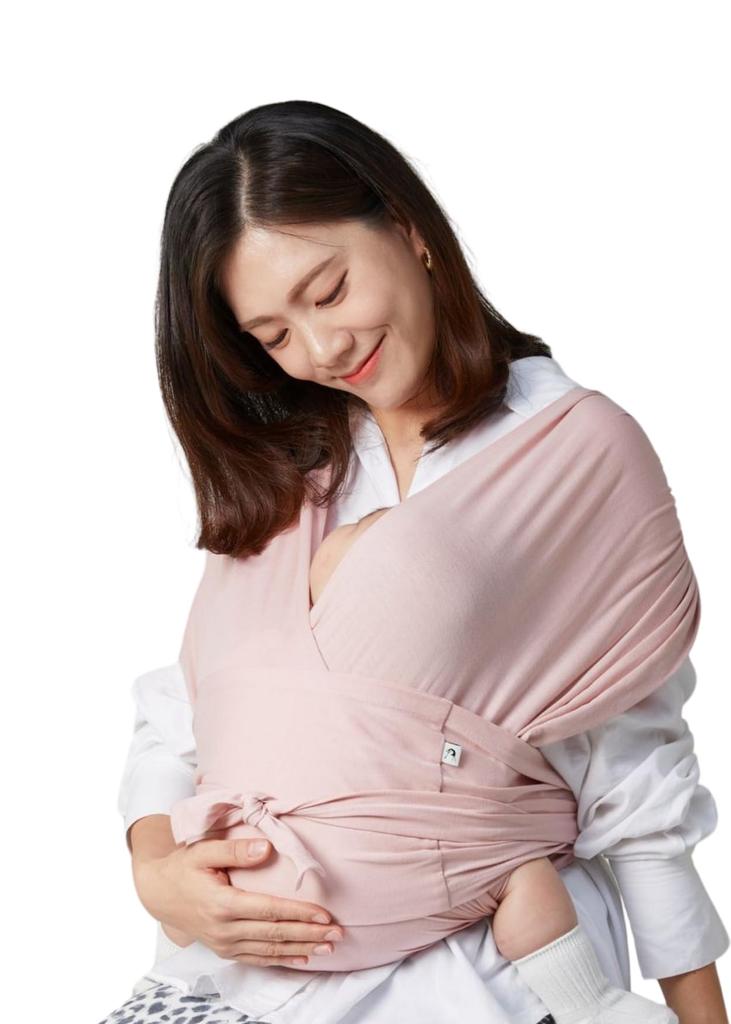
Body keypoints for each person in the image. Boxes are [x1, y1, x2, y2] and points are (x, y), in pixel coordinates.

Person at [101, 100, 729, 1024]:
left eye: (328, 291)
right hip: (233, 986)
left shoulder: (570, 452)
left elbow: (633, 774)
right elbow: (186, 714)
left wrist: (699, 1011)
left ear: (408, 229)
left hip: (486, 973)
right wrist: (156, 868)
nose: (322, 349)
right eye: (273, 336)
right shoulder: (296, 471)